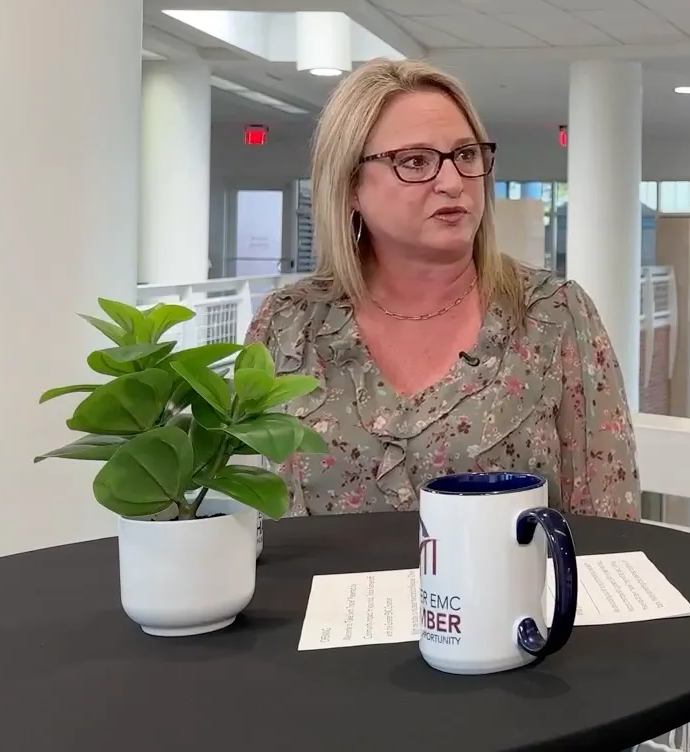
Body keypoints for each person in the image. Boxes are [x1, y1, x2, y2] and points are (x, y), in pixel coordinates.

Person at [245, 59, 640, 520]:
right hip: (320, 594)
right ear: (350, 185)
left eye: (466, 155)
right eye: (415, 162)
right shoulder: (288, 326)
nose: (453, 183)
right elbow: (249, 522)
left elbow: (611, 529)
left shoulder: (554, 316)